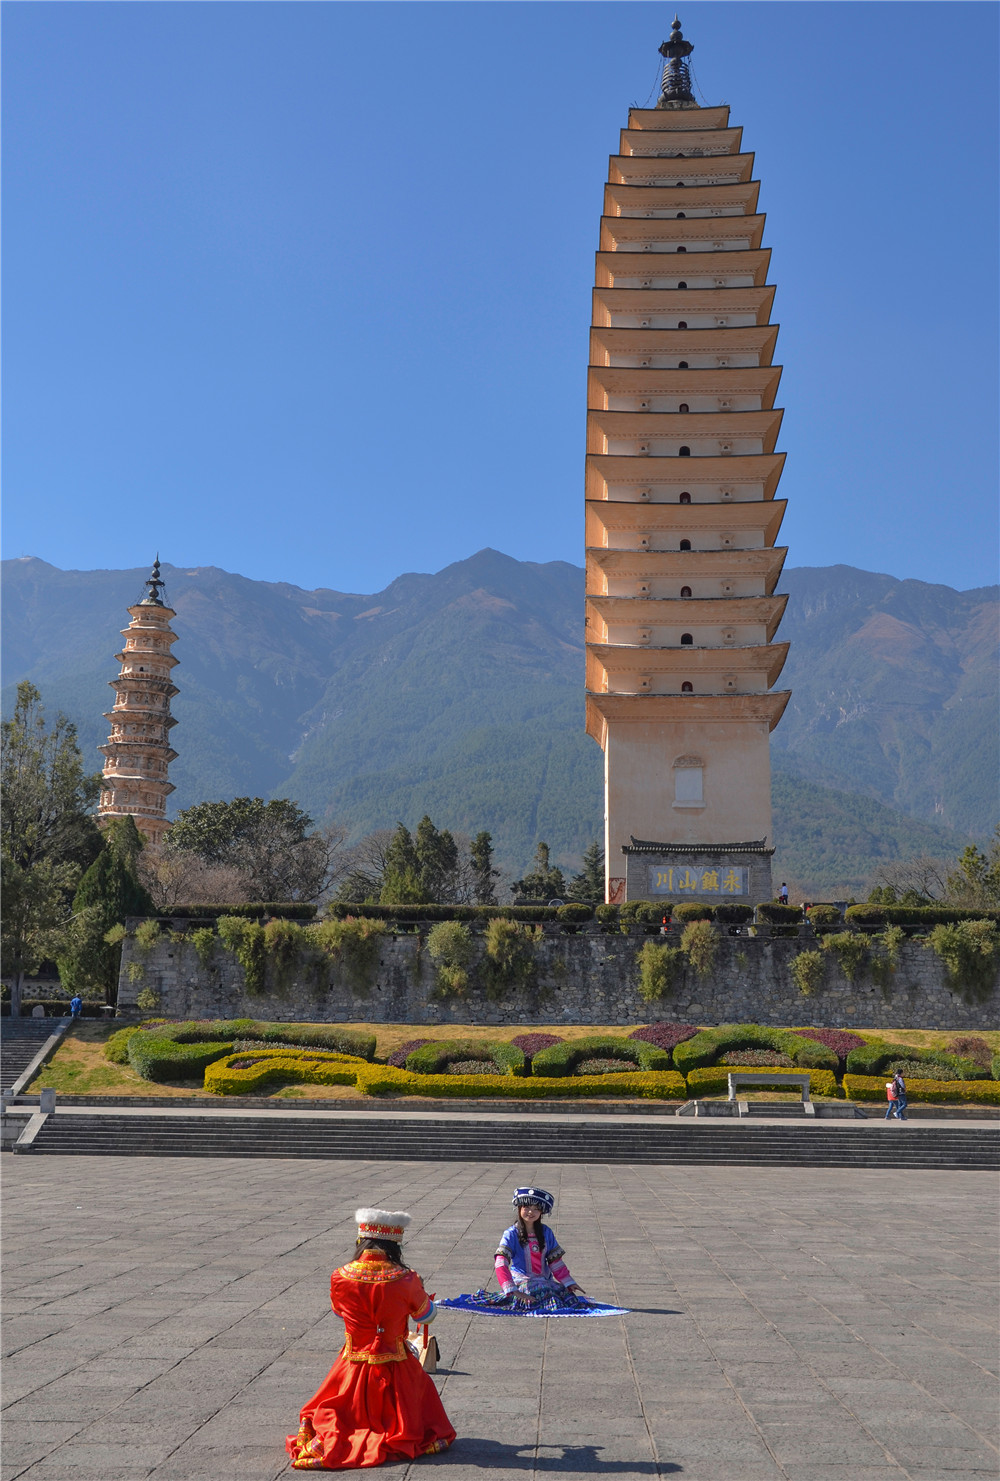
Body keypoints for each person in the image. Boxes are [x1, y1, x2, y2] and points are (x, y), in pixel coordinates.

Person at [286, 1208, 455, 1470]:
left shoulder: (340, 1275)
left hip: (352, 1362)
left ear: (361, 1241)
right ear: (394, 1245)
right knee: (422, 1403)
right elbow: (426, 1317)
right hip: (396, 1360)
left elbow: (337, 1311)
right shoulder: (407, 1278)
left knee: (336, 1408)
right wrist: (419, 1288)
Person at [435, 1187, 629, 1320]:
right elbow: (501, 1262)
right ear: (519, 1208)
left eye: (536, 1209)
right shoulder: (511, 1233)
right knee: (539, 1293)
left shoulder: (546, 1233)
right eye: (527, 1207)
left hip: (544, 1279)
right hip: (522, 1281)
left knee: (556, 1293)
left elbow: (555, 1262)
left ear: (541, 1213)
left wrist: (569, 1282)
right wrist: (511, 1289)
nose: (530, 1212)